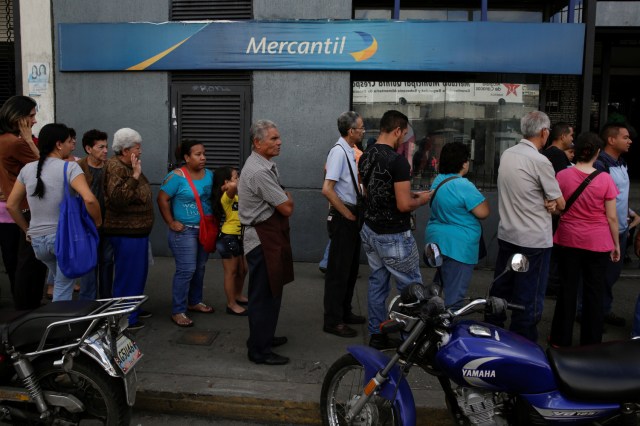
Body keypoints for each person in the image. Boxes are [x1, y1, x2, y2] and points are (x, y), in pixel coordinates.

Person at [484, 111, 565, 342]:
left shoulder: (508, 154)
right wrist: (552, 204)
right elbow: (560, 203)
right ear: (544, 132)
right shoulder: (540, 161)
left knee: (501, 287)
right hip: (534, 240)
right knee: (528, 295)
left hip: (508, 234)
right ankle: (523, 342)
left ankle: (492, 332)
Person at [358, 110, 432, 350]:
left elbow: (373, 192)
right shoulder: (398, 161)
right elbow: (403, 204)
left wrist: (407, 195)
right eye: (404, 133)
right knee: (411, 288)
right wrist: (422, 199)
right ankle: (410, 340)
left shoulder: (366, 155)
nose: (405, 139)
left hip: (370, 229)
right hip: (394, 235)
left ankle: (376, 334)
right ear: (397, 130)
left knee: (377, 282)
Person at [6, 123, 101, 301]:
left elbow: (11, 205)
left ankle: (59, 322)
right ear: (59, 144)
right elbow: (89, 199)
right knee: (64, 289)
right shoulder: (70, 168)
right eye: (68, 141)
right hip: (62, 239)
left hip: (38, 242)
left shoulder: (27, 169)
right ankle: (59, 326)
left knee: (60, 279)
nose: (70, 145)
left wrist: (27, 230)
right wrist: (98, 222)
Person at [548, 132, 619, 347]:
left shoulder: (562, 176)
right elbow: (612, 217)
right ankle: (591, 341)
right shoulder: (605, 179)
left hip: (568, 238)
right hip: (597, 242)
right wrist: (616, 244)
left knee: (567, 289)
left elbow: (556, 208)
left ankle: (561, 338)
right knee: (594, 292)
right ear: (597, 153)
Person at [238, 119, 294, 366]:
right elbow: (286, 206)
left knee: (271, 291)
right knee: (263, 295)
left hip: (268, 236)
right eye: (273, 138)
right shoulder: (259, 171)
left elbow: (282, 202)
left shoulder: (264, 164)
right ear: (257, 143)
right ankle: (259, 350)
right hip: (262, 239)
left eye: (278, 137)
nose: (279, 142)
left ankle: (264, 337)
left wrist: (283, 198)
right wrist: (286, 198)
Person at [158, 140, 215, 327]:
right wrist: (171, 222)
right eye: (198, 154)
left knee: (200, 268)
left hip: (204, 230)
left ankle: (195, 301)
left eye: (204, 153)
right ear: (186, 157)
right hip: (184, 232)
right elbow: (162, 199)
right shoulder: (176, 176)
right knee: (186, 269)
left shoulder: (210, 175)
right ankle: (178, 310)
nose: (203, 157)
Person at [426, 142, 489, 308]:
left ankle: (429, 322)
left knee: (440, 285)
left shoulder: (437, 180)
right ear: (463, 163)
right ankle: (448, 329)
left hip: (436, 242)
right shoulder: (464, 185)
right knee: (454, 296)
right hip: (458, 246)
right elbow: (483, 212)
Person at [0, 95, 48, 309]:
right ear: (17, 118)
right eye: (31, 116)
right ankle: (28, 311)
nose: (35, 120)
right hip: (25, 208)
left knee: (17, 264)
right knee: (30, 265)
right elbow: (46, 168)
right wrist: (29, 140)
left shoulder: (4, 140)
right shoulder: (15, 143)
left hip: (13, 209)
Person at [103, 128, 154, 330]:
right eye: (137, 148)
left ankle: (134, 308)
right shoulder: (116, 167)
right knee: (128, 276)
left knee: (137, 273)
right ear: (125, 150)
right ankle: (124, 319)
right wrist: (135, 176)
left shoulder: (127, 164)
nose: (140, 151)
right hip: (125, 232)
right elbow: (118, 199)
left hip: (137, 231)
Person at [321, 111, 366, 338]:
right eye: (361, 128)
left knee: (349, 269)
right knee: (338, 272)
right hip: (344, 217)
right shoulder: (338, 152)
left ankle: (344, 312)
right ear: (351, 131)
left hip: (352, 214)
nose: (363, 131)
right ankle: (333, 320)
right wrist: (347, 215)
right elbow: (327, 189)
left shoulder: (348, 150)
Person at [592, 123, 639, 327]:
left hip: (620, 229)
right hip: (605, 230)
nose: (629, 141)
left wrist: (628, 214)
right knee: (597, 276)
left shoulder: (621, 163)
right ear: (611, 140)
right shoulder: (601, 165)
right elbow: (600, 198)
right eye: (625, 137)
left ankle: (603, 310)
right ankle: (589, 314)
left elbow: (618, 195)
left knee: (611, 276)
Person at [77, 129, 113, 300]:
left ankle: (105, 301)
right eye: (101, 147)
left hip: (108, 224)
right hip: (86, 225)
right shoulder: (78, 168)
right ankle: (87, 306)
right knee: (89, 267)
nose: (106, 151)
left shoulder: (111, 167)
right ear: (88, 149)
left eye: (106, 146)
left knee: (107, 263)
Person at [213, 166, 248, 316]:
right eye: (236, 177)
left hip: (239, 237)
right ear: (227, 181)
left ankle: (238, 295)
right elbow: (233, 186)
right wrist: (228, 184)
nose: (238, 179)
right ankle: (231, 304)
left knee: (243, 269)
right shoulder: (227, 197)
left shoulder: (238, 197)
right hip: (228, 237)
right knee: (231, 272)